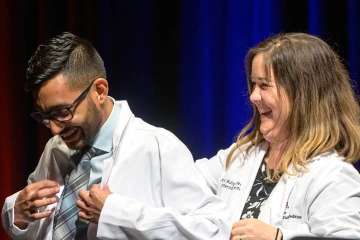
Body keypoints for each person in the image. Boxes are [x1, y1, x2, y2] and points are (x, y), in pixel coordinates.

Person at [1, 32, 231, 239]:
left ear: (100, 91)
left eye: (62, 112)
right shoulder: (56, 149)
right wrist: (18, 213)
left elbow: (211, 230)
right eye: (44, 116)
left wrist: (117, 214)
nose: (54, 129)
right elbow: (38, 229)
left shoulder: (157, 147)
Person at [195, 32, 360, 240]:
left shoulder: (334, 176)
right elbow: (182, 184)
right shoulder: (241, 155)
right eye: (254, 85)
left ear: (304, 94)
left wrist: (279, 237)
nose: (254, 97)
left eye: (264, 86)